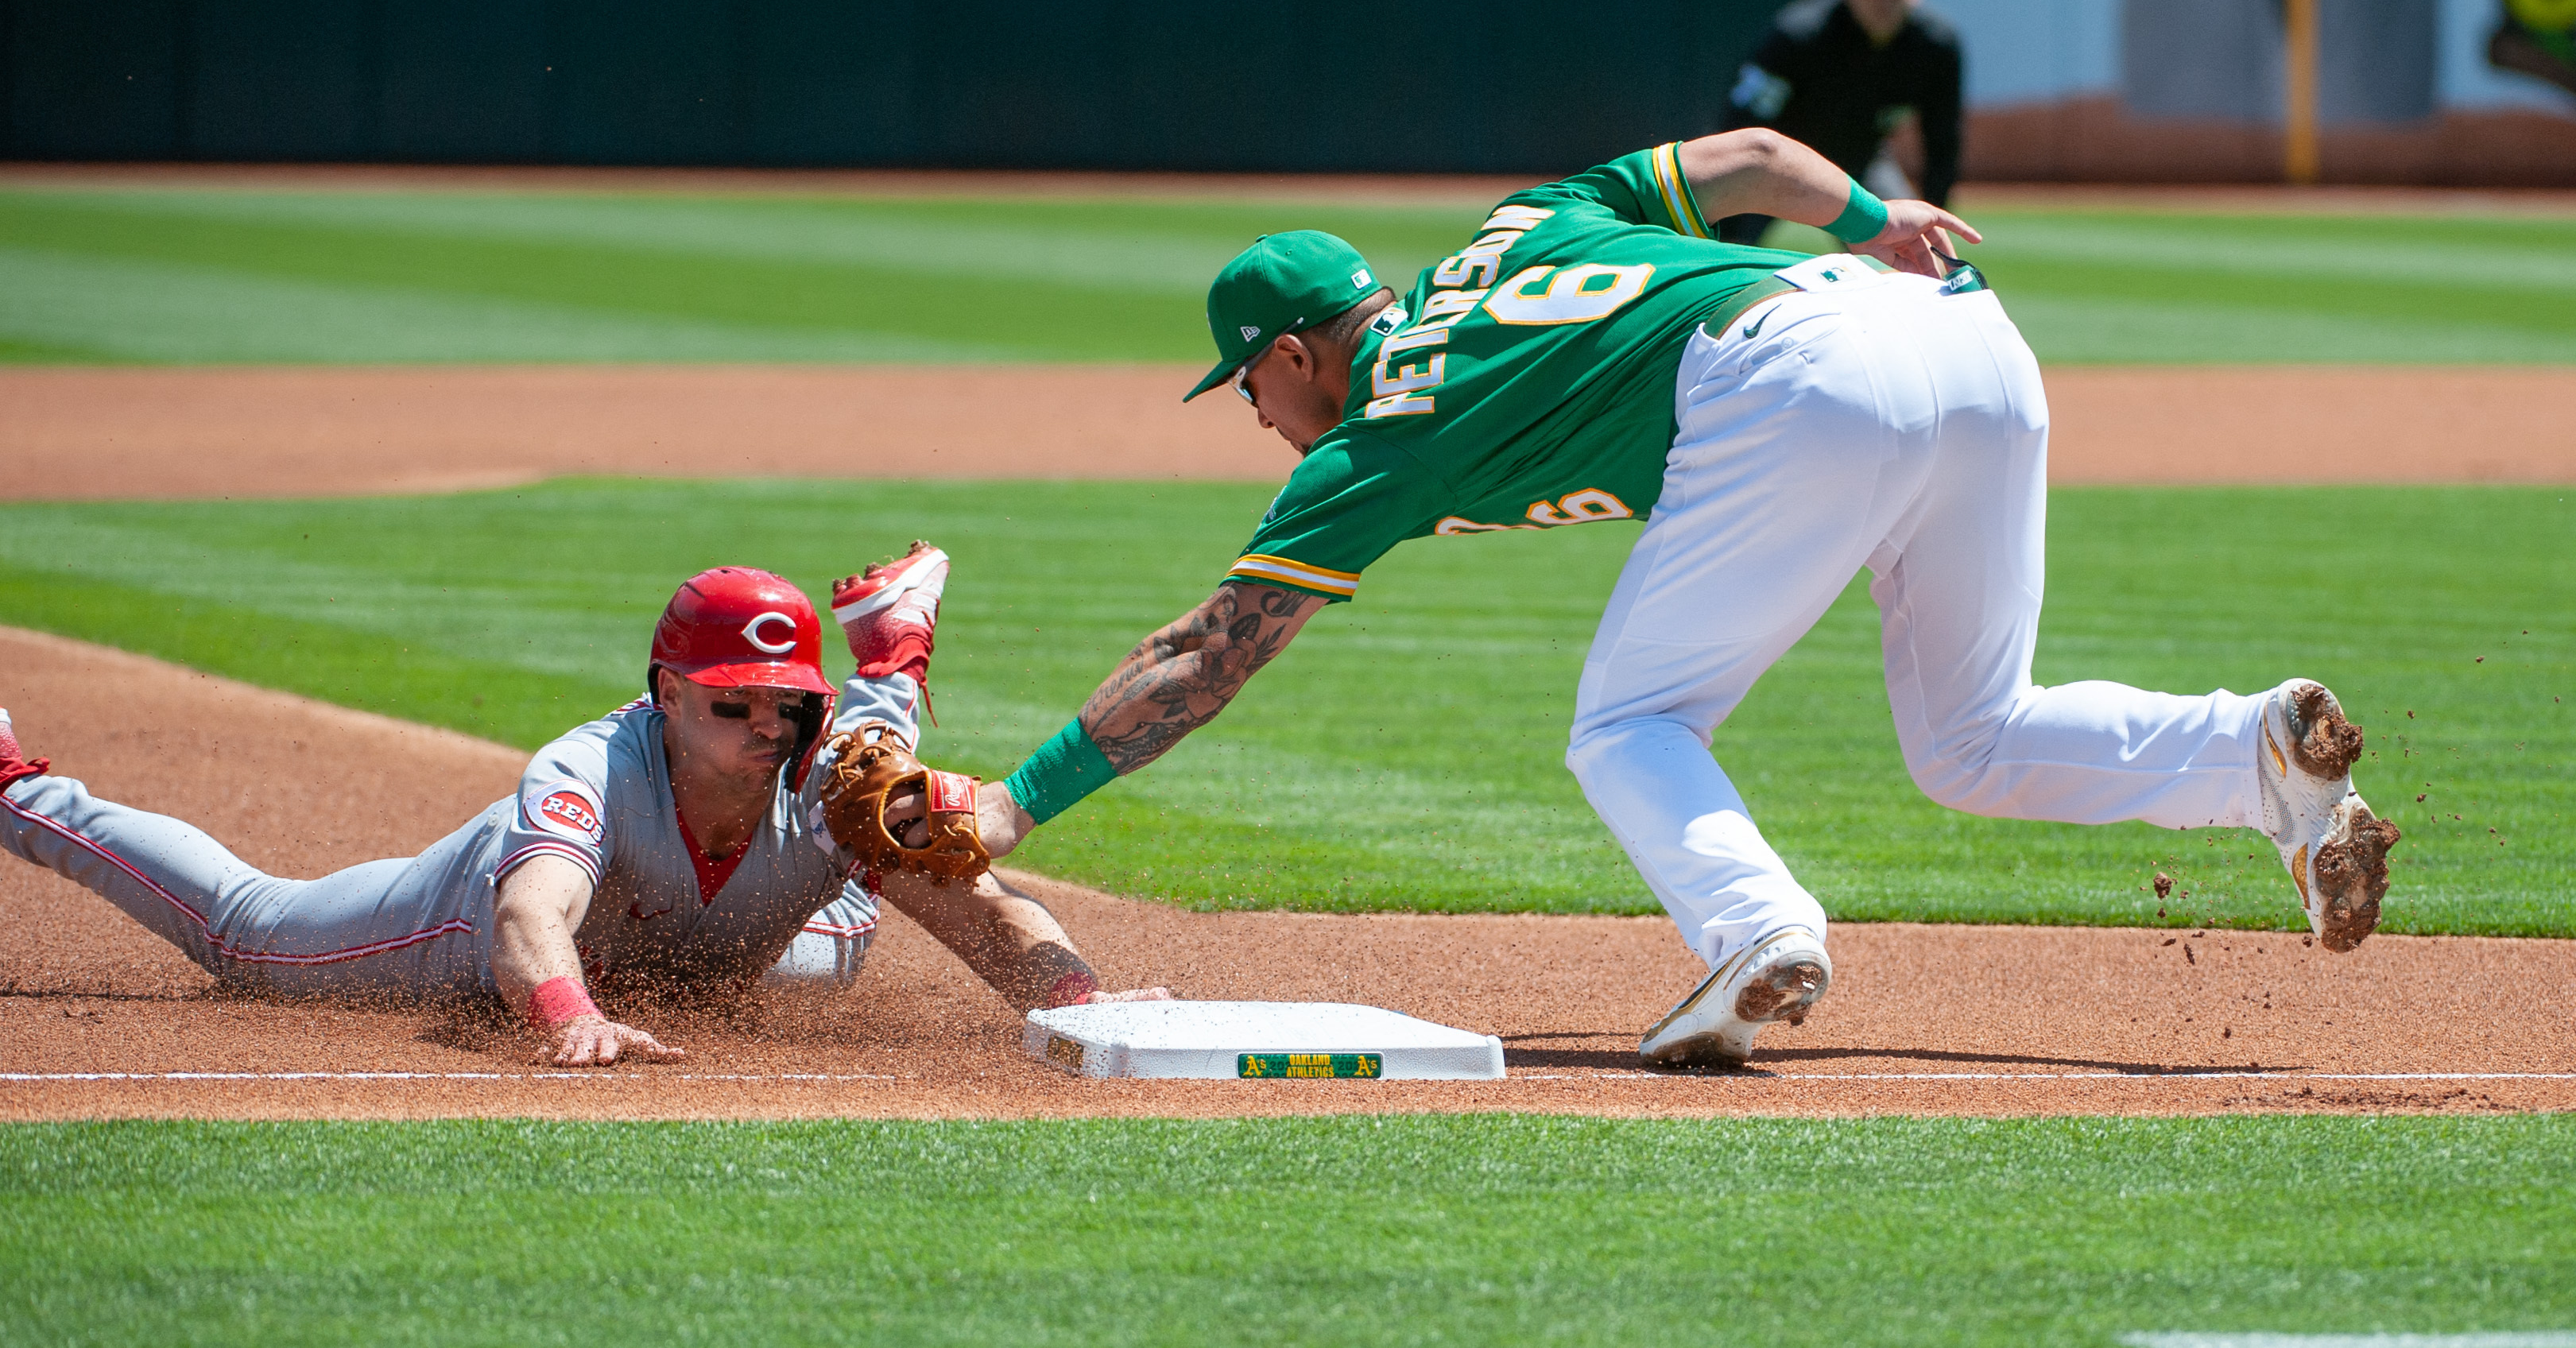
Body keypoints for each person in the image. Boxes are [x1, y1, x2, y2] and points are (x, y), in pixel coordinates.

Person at [957, 131, 2400, 1068]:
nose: (1255, 416)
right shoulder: (1517, 219)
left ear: (1286, 353)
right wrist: (1875, 213)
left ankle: (1752, 931)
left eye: (1247, 386)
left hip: (1792, 381)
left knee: (1628, 719)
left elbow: (1206, 654)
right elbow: (1758, 157)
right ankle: (2252, 753)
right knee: (1970, 732)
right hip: (1955, 332)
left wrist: (1016, 800)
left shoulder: (1372, 440)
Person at [0, 544, 1161, 1066]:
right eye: (732, 702)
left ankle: (887, 660)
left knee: (894, 837)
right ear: (663, 691)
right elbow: (533, 916)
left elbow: (977, 897)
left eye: (787, 701)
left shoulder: (823, 767)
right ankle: (0, 782)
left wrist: (1082, 1010)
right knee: (249, 935)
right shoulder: (584, 768)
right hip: (467, 921)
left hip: (723, 921)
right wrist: (566, 1020)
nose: (766, 723)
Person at [1717, 0, 1964, 249]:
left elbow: (1943, 140)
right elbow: (1739, 119)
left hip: (1858, 164)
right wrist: (1732, 200)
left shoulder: (1936, 46)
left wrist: (1934, 217)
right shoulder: (1799, 34)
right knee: (1727, 255)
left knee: (1914, 246)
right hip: (1777, 169)